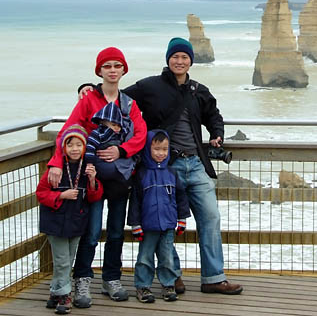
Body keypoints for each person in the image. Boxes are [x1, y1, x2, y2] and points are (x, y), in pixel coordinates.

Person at [122, 37, 242, 295]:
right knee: (165, 223)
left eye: (184, 57)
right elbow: (119, 100)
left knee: (210, 217)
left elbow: (213, 114)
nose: (179, 61)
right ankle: (172, 276)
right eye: (175, 56)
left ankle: (213, 278)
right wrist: (90, 89)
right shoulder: (150, 86)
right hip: (165, 167)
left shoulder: (198, 90)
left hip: (197, 164)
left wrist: (216, 132)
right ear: (168, 59)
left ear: (191, 61)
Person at [48, 47, 147, 308]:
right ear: (99, 71)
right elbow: (68, 131)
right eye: (107, 66)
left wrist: (121, 150)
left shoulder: (129, 103)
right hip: (91, 178)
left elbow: (140, 134)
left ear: (124, 70)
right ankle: (82, 279)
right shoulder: (88, 99)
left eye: (117, 66)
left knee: (115, 231)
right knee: (90, 232)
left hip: (119, 178)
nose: (113, 70)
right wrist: (56, 163)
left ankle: (111, 279)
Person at [36, 125, 104, 314]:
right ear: (63, 147)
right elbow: (41, 194)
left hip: (76, 222)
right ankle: (64, 296)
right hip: (55, 222)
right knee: (62, 261)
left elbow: (94, 197)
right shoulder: (54, 170)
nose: (74, 149)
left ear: (85, 147)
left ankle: (54, 292)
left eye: (79, 145)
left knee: (68, 259)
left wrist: (92, 181)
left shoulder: (87, 169)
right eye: (70, 145)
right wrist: (61, 196)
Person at [127, 130, 190, 303]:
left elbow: (181, 196)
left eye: (164, 149)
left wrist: (182, 219)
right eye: (156, 149)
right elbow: (135, 202)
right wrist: (135, 224)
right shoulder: (141, 174)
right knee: (145, 258)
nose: (161, 153)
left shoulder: (172, 173)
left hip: (168, 224)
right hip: (147, 226)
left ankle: (168, 285)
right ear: (148, 149)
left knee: (167, 257)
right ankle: (143, 286)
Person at [85, 101, 135, 184]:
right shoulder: (98, 133)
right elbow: (90, 148)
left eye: (119, 125)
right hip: (100, 163)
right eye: (113, 124)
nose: (117, 128)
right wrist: (90, 163)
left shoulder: (121, 134)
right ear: (103, 122)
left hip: (115, 164)